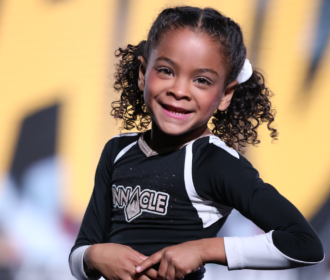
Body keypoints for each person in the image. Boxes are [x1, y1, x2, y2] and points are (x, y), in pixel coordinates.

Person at [68, 6, 324, 280]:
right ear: (143, 73)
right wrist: (94, 256)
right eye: (166, 71)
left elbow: (304, 244)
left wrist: (203, 250)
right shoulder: (117, 152)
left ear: (226, 94)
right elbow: (79, 253)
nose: (179, 91)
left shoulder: (214, 162)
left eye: (201, 80)